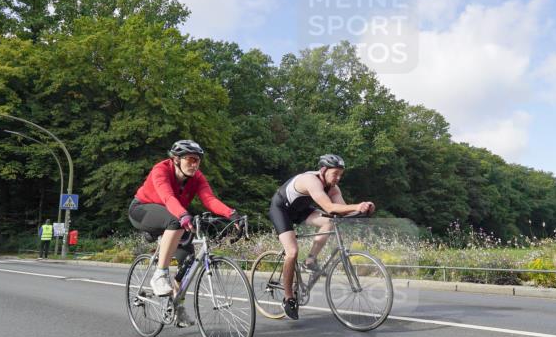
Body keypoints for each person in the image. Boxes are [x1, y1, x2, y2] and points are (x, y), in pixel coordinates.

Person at [128, 140, 241, 327]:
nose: (194, 164)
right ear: (176, 159)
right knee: (175, 220)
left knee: (188, 260)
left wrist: (231, 214)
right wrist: (182, 215)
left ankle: (177, 306)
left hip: (174, 217)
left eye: (197, 160)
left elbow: (209, 199)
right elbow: (167, 197)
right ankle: (160, 274)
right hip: (142, 210)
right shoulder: (161, 170)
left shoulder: (197, 178)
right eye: (190, 159)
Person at [269, 154, 375, 320]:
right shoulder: (310, 180)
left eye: (341, 175)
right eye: (335, 174)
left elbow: (342, 209)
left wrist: (364, 208)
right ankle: (288, 298)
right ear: (324, 170)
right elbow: (329, 207)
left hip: (302, 210)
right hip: (281, 209)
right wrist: (357, 206)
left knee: (329, 222)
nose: (338, 178)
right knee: (292, 252)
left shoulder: (333, 188)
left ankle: (310, 260)